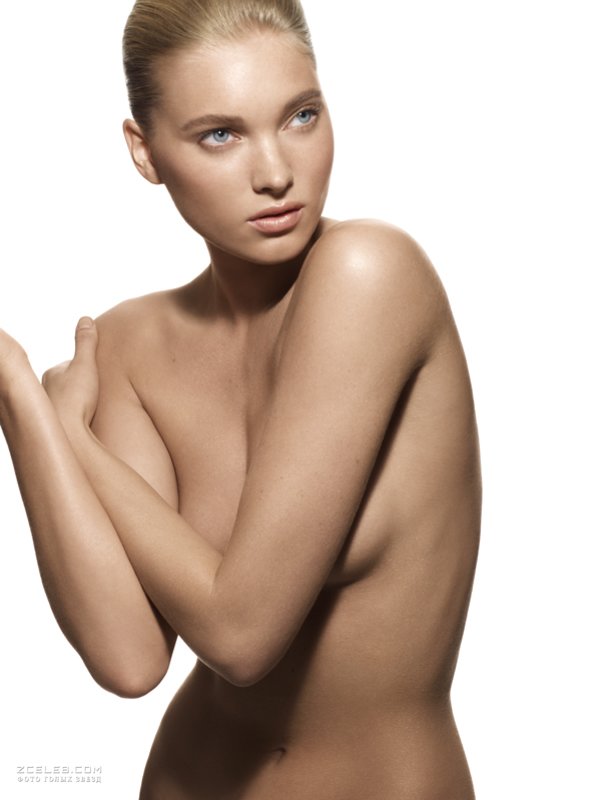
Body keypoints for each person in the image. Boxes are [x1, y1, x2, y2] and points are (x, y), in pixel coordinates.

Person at [0, 0, 481, 797]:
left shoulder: (369, 275)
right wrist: (19, 400)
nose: (276, 172)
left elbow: (240, 635)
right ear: (145, 152)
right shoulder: (128, 343)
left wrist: (73, 438)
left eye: (301, 116)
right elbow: (129, 657)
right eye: (220, 134)